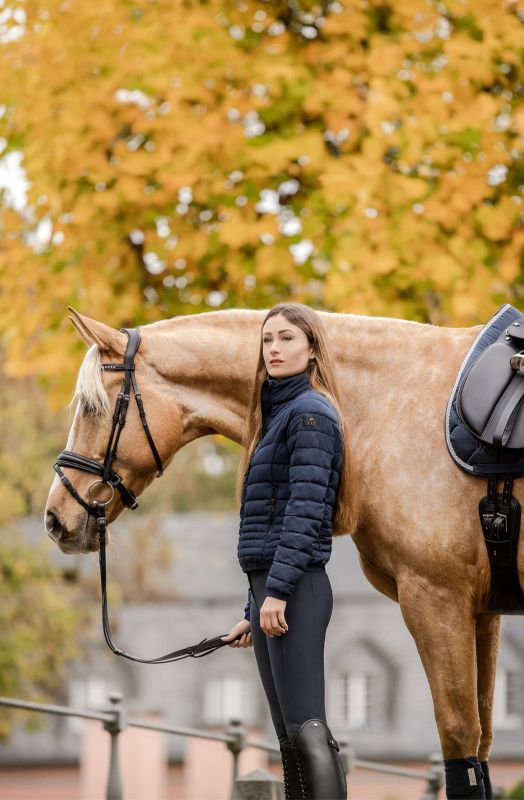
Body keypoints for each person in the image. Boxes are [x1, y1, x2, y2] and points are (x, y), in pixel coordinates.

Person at [221, 302, 356, 800]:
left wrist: (275, 593)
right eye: (267, 340)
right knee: (288, 740)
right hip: (272, 594)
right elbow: (270, 521)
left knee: (308, 729)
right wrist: (251, 608)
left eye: (286, 339)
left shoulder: (312, 416)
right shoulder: (275, 416)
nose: (273, 349)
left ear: (313, 349)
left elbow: (304, 512)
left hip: (297, 590)